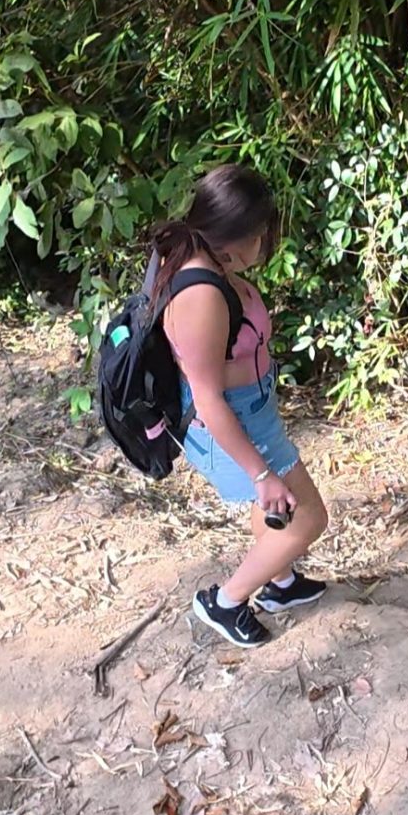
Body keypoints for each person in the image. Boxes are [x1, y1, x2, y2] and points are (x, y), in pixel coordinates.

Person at [153, 165, 329, 647]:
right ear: (237, 236)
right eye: (263, 232)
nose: (267, 242)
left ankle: (282, 581)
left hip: (249, 411)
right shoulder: (203, 292)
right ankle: (224, 602)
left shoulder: (206, 260)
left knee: (278, 510)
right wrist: (259, 473)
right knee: (309, 517)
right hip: (228, 425)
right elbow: (207, 397)